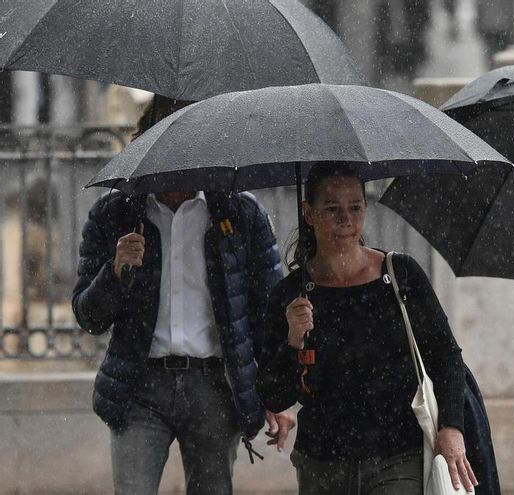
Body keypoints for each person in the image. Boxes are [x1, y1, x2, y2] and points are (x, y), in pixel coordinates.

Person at [71, 95, 294, 495]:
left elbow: (267, 314)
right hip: (139, 388)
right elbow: (89, 317)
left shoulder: (239, 214)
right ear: (149, 144)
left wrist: (276, 395)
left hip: (214, 387)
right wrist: (116, 271)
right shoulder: (114, 214)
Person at [256, 162, 478, 494]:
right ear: (309, 213)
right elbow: (274, 394)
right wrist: (293, 340)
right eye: (332, 208)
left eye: (355, 207)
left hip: (398, 455)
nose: (345, 219)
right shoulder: (291, 296)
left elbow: (446, 355)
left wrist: (451, 427)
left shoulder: (400, 275)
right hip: (322, 462)